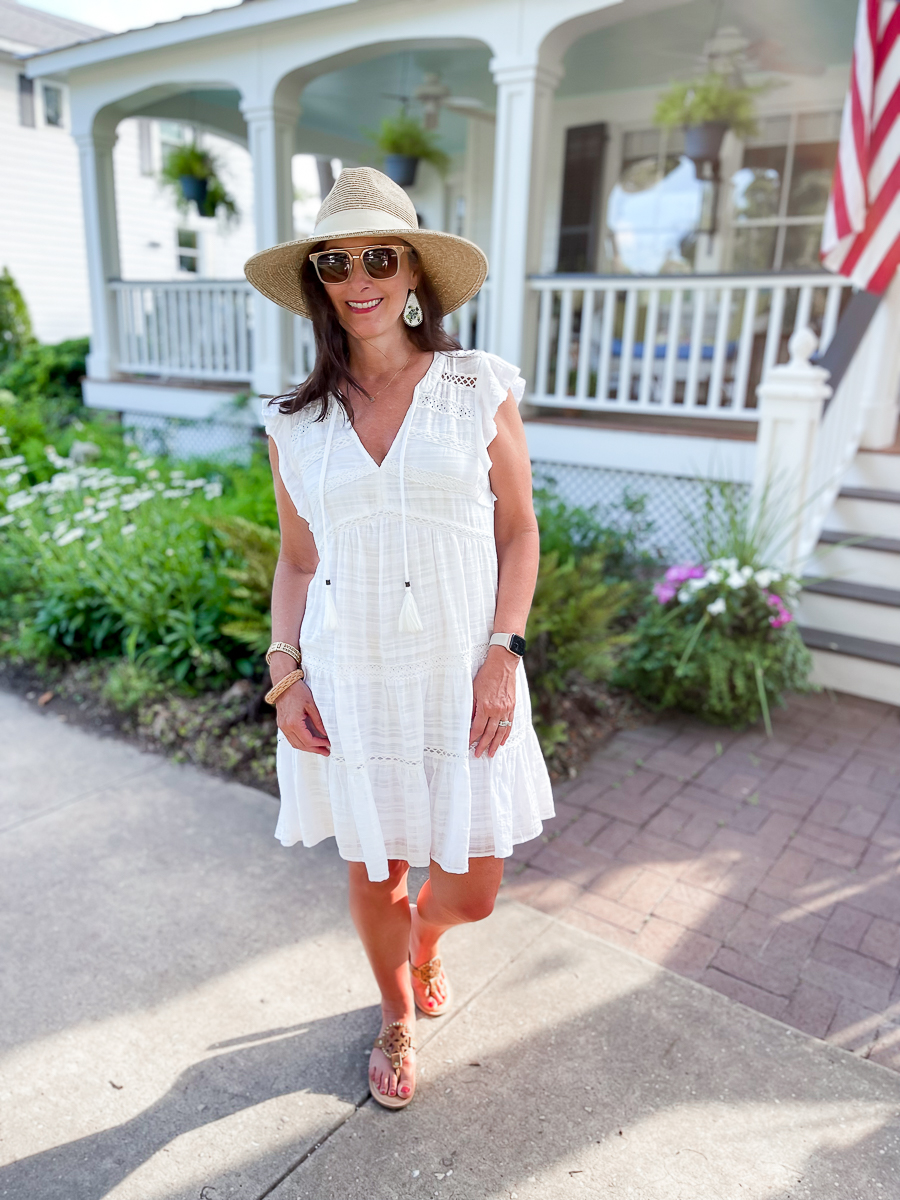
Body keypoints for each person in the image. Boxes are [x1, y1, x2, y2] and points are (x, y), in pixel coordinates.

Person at [245, 167, 553, 1110]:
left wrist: (505, 653)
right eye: (336, 263)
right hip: (353, 680)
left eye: (380, 255)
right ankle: (392, 1012)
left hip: (467, 675)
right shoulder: (294, 423)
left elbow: (519, 532)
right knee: (374, 876)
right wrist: (284, 674)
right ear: (320, 285)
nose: (359, 277)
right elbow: (297, 562)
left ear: (414, 269)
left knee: (474, 888)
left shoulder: (475, 384)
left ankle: (428, 942)